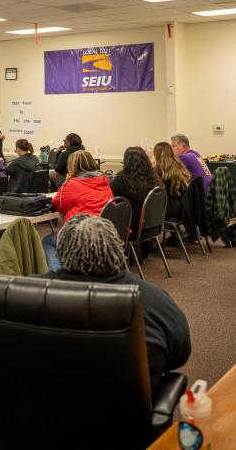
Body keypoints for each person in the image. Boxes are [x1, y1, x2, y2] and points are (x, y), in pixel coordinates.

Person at [36, 215, 191, 391]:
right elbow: (179, 355)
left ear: (60, 251)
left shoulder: (24, 294)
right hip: (125, 413)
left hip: (41, 408)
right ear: (119, 248)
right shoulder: (156, 302)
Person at [111, 147, 163, 238]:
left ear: (126, 161)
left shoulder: (122, 179)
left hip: (131, 225)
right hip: (151, 223)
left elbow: (111, 195)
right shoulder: (154, 177)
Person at [52, 150, 112, 222]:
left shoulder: (72, 184)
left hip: (82, 229)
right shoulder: (103, 179)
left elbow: (58, 204)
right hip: (105, 227)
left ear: (71, 166)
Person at [153, 141, 191, 219]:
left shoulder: (158, 170)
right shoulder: (180, 165)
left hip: (168, 208)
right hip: (182, 206)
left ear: (156, 155)